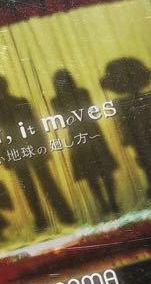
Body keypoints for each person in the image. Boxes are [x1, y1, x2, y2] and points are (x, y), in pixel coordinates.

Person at [0, 76, 74, 231]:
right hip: (24, 149)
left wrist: (4, 155)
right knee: (39, 185)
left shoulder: (0, 107)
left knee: (36, 186)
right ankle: (58, 217)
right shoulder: (8, 105)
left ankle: (51, 219)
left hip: (22, 149)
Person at [99, 57, 151, 201]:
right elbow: (124, 123)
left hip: (149, 134)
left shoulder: (144, 98)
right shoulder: (123, 103)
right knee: (150, 161)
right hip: (140, 137)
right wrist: (128, 137)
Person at [50, 69, 119, 216]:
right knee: (93, 173)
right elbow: (64, 117)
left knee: (100, 171)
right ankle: (105, 203)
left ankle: (110, 202)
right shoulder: (64, 98)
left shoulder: (75, 95)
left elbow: (83, 112)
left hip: (85, 134)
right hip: (83, 134)